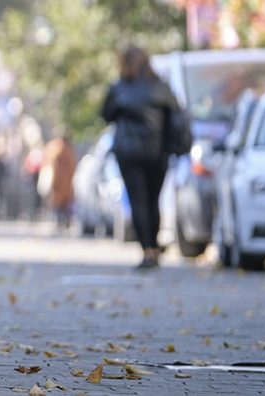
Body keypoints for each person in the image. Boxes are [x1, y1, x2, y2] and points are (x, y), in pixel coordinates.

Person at [100, 45, 186, 269]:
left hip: (129, 153)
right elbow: (176, 117)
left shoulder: (120, 88)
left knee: (138, 201)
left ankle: (147, 250)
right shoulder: (161, 87)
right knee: (152, 200)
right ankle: (154, 248)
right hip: (158, 153)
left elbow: (106, 114)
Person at [40, 134, 77, 230]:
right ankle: (62, 220)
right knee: (63, 202)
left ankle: (60, 220)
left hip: (60, 180)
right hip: (65, 181)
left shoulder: (56, 148)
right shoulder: (65, 150)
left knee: (59, 202)